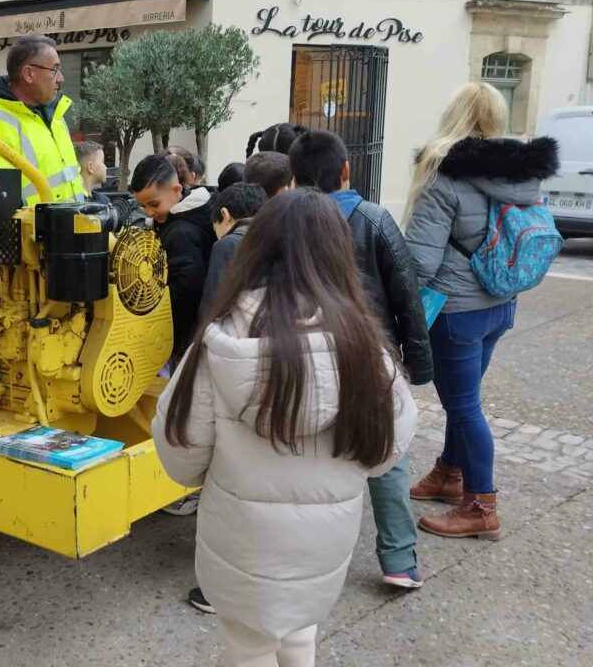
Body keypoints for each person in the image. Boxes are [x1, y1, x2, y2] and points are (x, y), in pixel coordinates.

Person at [152, 189, 416, 667]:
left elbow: (180, 454)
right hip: (322, 545)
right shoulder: (368, 350)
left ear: (255, 248)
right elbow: (385, 454)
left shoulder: (217, 343)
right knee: (300, 631)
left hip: (241, 544)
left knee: (248, 647)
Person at [403, 82, 559, 540]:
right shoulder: (521, 174)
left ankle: (481, 505)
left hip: (456, 311)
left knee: (465, 405)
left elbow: (421, 261)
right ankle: (450, 474)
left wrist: (397, 301)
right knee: (463, 399)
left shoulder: (443, 174)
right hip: (500, 304)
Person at [289, 128, 434, 589]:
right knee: (386, 453)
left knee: (311, 454)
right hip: (372, 354)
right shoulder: (374, 219)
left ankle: (304, 557)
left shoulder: (288, 224)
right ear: (346, 170)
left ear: (294, 178)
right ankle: (398, 560)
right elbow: (407, 295)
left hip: (307, 352)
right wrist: (418, 360)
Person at [0, 34, 85, 204]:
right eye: (54, 69)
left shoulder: (55, 116)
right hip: (36, 230)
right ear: (29, 74)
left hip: (73, 226)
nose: (61, 78)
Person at [130, 154, 216, 368]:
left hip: (183, 336)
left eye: (153, 204)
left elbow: (184, 291)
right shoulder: (194, 212)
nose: (149, 212)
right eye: (142, 206)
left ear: (177, 190)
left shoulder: (181, 233)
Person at [200, 182, 267, 318]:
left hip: (237, 333)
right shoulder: (278, 237)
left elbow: (213, 306)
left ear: (224, 215)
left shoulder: (227, 244)